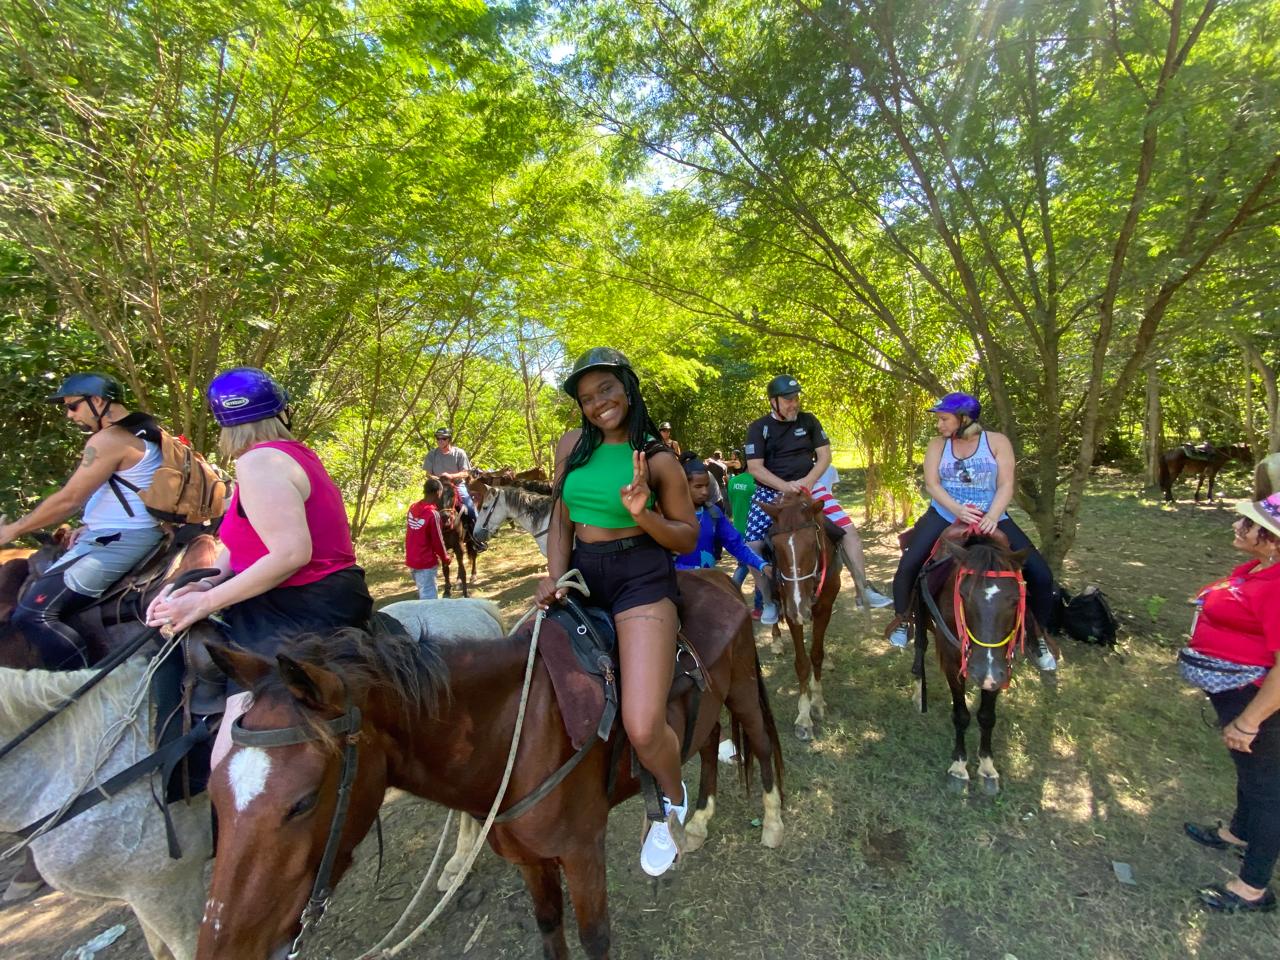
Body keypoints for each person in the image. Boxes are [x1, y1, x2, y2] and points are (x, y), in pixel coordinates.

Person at [146, 367, 372, 768]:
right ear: (281, 412)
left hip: (297, 604)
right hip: (295, 595)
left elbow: (290, 553)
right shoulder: (279, 457)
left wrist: (204, 604)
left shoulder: (259, 463)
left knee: (232, 756)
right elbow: (244, 542)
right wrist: (204, 584)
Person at [536, 347, 698, 878]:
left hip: (640, 576)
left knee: (643, 725)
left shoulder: (657, 458)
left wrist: (642, 513)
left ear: (627, 387)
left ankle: (672, 799)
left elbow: (686, 537)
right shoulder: (570, 446)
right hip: (583, 573)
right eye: (587, 397)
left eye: (606, 388)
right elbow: (561, 518)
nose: (598, 403)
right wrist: (556, 576)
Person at [1, 373, 165, 669]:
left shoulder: (109, 440)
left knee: (33, 614)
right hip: (115, 532)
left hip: (124, 539)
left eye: (73, 406)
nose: (69, 415)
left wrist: (13, 529)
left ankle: (83, 684)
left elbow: (69, 499)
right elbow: (129, 491)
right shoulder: (144, 430)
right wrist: (91, 524)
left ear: (98, 401)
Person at [887, 393, 1056, 671]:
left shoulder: (997, 442)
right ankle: (903, 619)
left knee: (1040, 574)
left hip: (992, 515)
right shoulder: (937, 445)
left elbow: (1006, 485)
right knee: (909, 564)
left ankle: (1037, 636)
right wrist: (958, 510)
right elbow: (932, 484)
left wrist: (992, 516)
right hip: (945, 513)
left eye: (944, 419)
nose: (939, 425)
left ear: (964, 419)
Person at [1180, 492, 1280, 914]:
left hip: (1257, 699)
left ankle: (1253, 886)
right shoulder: (1258, 569)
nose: (1237, 526)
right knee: (1248, 771)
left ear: (1273, 539)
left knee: (1267, 788)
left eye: (1249, 524)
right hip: (1235, 693)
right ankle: (1239, 832)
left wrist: (1249, 721)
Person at [743, 374, 892, 610]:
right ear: (773, 401)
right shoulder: (758, 428)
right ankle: (768, 601)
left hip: (810, 488)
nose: (794, 404)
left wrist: (808, 481)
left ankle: (863, 589)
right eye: (788, 400)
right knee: (752, 544)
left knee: (849, 532)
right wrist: (784, 486)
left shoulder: (809, 421)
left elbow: (825, 456)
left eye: (796, 398)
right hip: (770, 492)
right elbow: (755, 468)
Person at [674, 458, 774, 605]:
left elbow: (736, 545)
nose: (705, 491)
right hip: (678, 593)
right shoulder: (668, 517)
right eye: (698, 486)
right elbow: (663, 561)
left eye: (707, 485)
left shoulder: (713, 513)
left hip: (705, 592)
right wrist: (698, 573)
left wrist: (762, 565)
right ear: (683, 485)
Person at [725, 461, 767, 619]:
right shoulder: (758, 484)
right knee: (758, 569)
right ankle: (759, 608)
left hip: (738, 529)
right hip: (754, 531)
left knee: (742, 566)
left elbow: (731, 502)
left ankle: (731, 598)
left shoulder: (733, 481)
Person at [423, 427, 478, 527]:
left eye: (443, 438)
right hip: (438, 487)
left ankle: (477, 531)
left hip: (456, 485)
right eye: (438, 438)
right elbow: (428, 474)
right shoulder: (432, 454)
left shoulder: (459, 453)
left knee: (470, 508)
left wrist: (451, 476)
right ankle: (420, 531)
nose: (440, 441)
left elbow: (465, 473)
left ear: (449, 439)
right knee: (423, 509)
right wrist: (438, 478)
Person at [406, 478, 450, 599]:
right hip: (426, 561)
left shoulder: (412, 508)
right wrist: (445, 557)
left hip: (412, 559)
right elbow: (438, 540)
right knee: (429, 601)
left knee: (423, 592)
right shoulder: (433, 514)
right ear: (438, 492)